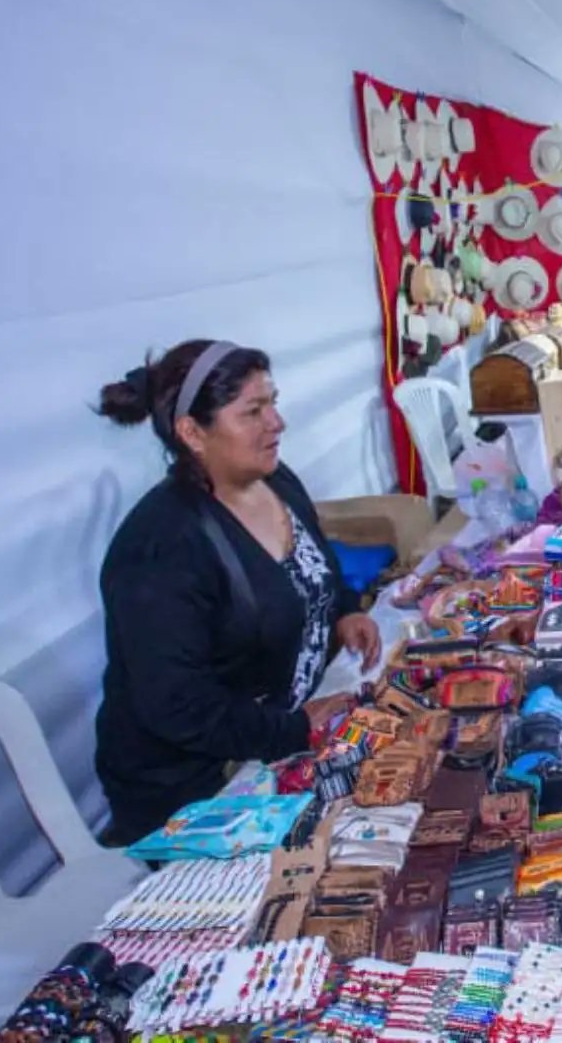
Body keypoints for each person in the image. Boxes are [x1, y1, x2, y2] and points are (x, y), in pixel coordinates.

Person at [93, 341, 383, 844]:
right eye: (253, 411)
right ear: (192, 433)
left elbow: (315, 568)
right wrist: (293, 730)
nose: (277, 422)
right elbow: (177, 705)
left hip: (276, 734)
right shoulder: (161, 548)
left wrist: (342, 612)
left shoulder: (274, 480)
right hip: (197, 787)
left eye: (272, 402)